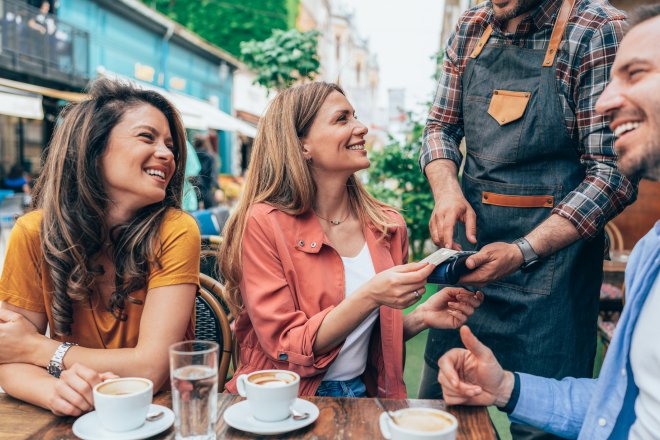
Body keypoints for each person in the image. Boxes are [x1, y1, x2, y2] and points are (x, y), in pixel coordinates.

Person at [437, 6, 660, 439]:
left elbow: (612, 172)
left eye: (634, 74)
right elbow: (439, 126)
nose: (607, 103)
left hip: (552, 278)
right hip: (471, 268)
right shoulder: (470, 28)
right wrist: (447, 189)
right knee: (446, 411)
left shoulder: (598, 28)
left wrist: (523, 250)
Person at [219, 82, 484, 398]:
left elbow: (361, 342)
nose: (361, 128)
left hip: (359, 395)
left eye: (355, 117)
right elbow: (285, 345)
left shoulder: (388, 226)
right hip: (277, 398)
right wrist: (371, 295)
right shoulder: (264, 223)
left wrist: (420, 318)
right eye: (341, 119)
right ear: (302, 145)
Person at [0, 78, 201, 416]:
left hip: (161, 413)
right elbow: (8, 356)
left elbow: (151, 369)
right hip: (75, 419)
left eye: (170, 145)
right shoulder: (33, 232)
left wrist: (39, 349)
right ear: (93, 148)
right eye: (146, 137)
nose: (168, 154)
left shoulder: (176, 230)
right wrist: (56, 393)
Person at [192, 134, 219, 210]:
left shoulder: (192, 155)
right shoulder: (210, 157)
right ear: (205, 144)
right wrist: (217, 188)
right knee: (211, 211)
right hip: (207, 188)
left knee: (196, 213)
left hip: (195, 187)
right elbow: (213, 174)